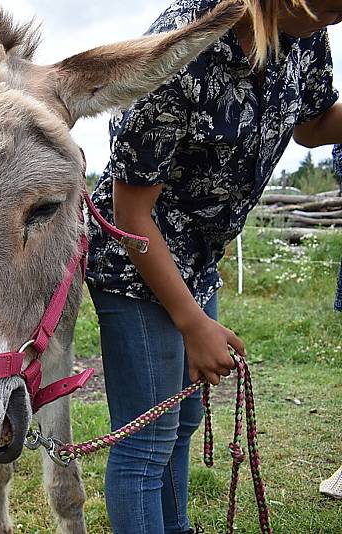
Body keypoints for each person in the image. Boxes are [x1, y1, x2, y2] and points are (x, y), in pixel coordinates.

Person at [86, 0, 342, 532]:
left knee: (181, 422)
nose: (335, 18)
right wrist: (193, 321)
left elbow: (312, 126)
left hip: (199, 259)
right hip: (136, 264)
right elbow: (131, 213)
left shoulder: (304, 34)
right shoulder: (178, 51)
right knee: (145, 440)